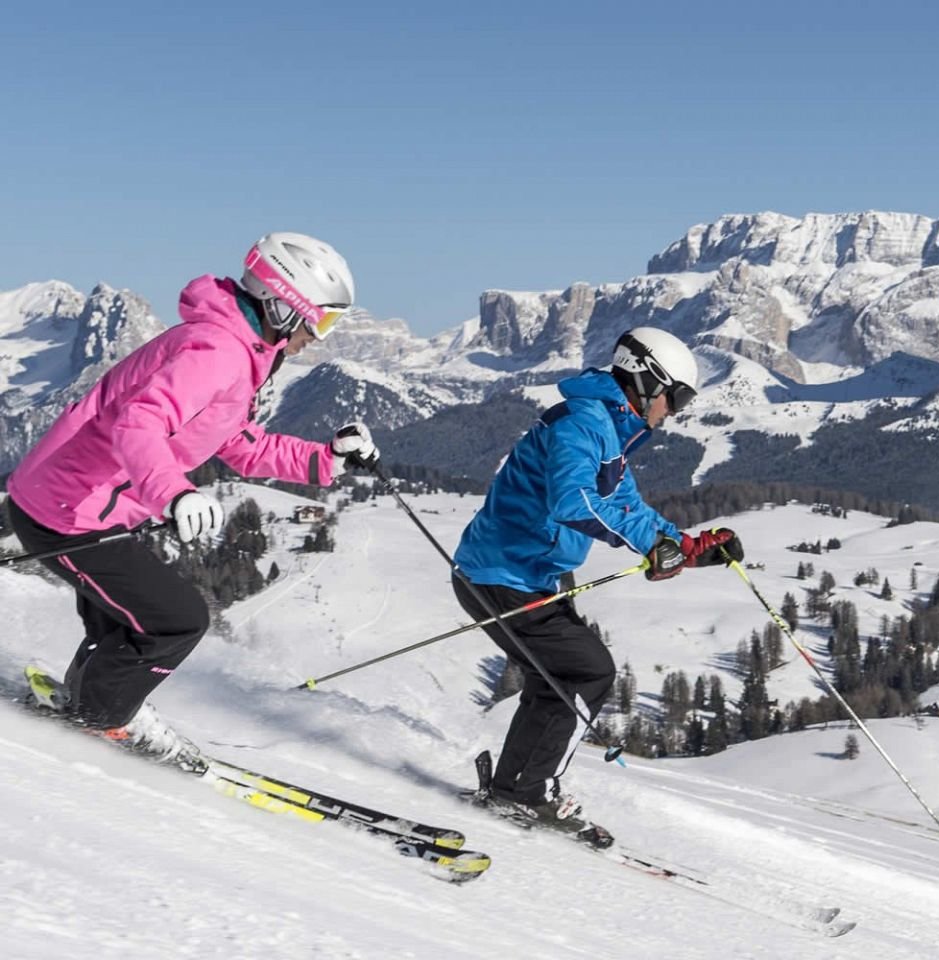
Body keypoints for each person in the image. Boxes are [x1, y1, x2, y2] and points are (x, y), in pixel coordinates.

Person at [7, 231, 383, 770]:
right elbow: (140, 425)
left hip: (75, 503)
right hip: (69, 512)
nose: (319, 338)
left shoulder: (239, 348)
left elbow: (234, 440)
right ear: (283, 305)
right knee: (176, 620)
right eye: (320, 321)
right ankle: (102, 717)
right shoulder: (218, 353)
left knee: (129, 621)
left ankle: (92, 703)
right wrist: (175, 493)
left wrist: (326, 461)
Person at [452, 326, 741, 845]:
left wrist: (691, 548)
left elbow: (628, 507)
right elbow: (573, 501)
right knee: (588, 670)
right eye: (676, 397)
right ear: (647, 382)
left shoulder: (610, 428)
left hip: (526, 576)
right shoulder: (583, 425)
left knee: (561, 677)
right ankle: (525, 793)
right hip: (501, 577)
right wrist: (651, 547)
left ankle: (514, 788)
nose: (675, 411)